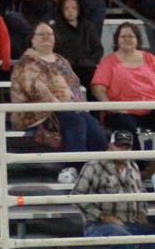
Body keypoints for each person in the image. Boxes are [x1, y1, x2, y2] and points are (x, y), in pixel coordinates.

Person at [10, 21, 109, 182]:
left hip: (67, 108)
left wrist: (78, 105)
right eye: (41, 34)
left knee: (93, 127)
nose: (46, 37)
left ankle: (101, 169)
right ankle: (72, 167)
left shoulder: (61, 60)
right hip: (38, 112)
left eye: (49, 34)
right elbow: (36, 88)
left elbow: (74, 85)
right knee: (75, 120)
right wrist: (61, 104)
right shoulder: (26, 62)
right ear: (32, 40)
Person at [73, 129, 155, 249]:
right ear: (110, 146)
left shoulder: (133, 167)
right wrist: (103, 216)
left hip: (130, 223)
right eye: (119, 146)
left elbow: (142, 193)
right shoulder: (94, 166)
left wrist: (142, 212)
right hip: (99, 225)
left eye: (126, 147)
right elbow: (77, 196)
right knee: (123, 237)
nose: (123, 150)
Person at [90, 22, 155, 136]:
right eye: (123, 36)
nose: (127, 39)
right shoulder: (108, 62)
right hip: (122, 112)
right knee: (127, 127)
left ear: (137, 39)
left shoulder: (150, 58)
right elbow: (97, 88)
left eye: (131, 36)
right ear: (117, 39)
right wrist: (111, 107)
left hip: (152, 110)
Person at [51, 0, 102, 81]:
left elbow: (97, 49)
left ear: (79, 10)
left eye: (74, 8)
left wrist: (89, 62)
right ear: (61, 10)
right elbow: (53, 51)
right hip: (64, 70)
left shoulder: (87, 26)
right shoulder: (55, 28)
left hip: (86, 68)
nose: (70, 11)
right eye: (66, 8)